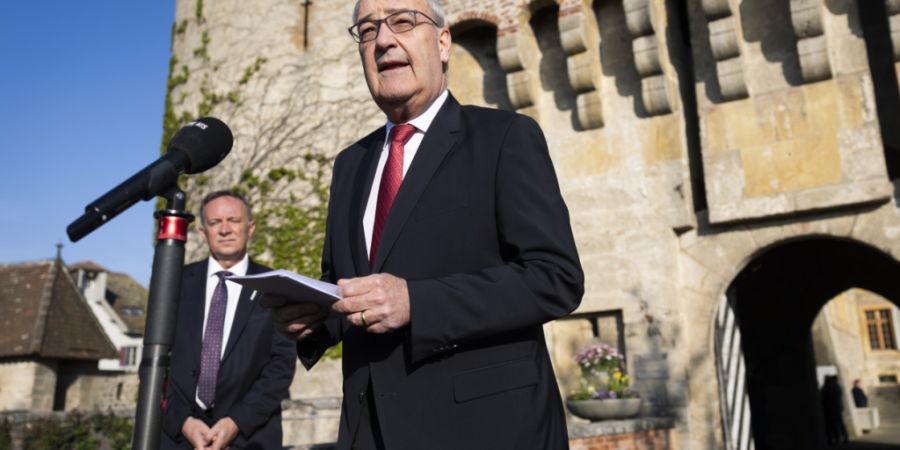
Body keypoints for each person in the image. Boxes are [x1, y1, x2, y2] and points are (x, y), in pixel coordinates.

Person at [263, 0, 584, 449]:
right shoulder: (349, 165)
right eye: (369, 29)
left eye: (402, 21)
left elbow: (556, 279)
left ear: (443, 41)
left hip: (487, 430)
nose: (384, 40)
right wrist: (314, 317)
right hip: (369, 430)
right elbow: (346, 284)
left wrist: (417, 301)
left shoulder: (505, 137)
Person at [162, 190, 296, 450]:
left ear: (250, 227)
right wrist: (184, 423)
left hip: (249, 436)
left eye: (233, 220)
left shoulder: (277, 286)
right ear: (202, 233)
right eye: (214, 223)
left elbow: (281, 367)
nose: (224, 229)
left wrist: (236, 422)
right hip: (178, 438)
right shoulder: (173, 282)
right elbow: (156, 362)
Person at [821, 375, 849, 446]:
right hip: (835, 408)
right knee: (837, 424)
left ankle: (838, 439)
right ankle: (842, 438)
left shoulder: (830, 388)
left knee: (833, 425)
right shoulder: (836, 387)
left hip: (832, 409)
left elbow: (825, 398)